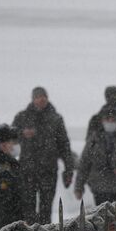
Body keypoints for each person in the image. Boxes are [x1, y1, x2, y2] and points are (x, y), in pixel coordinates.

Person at [11, 87, 75, 223]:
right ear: (33, 99)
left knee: (46, 210)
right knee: (28, 209)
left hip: (48, 170)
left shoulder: (55, 119)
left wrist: (69, 169)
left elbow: (64, 145)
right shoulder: (22, 117)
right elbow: (10, 137)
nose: (41, 99)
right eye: (38, 97)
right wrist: (22, 133)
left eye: (43, 96)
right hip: (27, 170)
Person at [75, 107, 116, 203]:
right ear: (102, 120)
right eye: (107, 119)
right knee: (101, 216)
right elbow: (84, 163)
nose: (110, 122)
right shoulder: (94, 139)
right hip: (99, 187)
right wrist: (79, 187)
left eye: (113, 119)